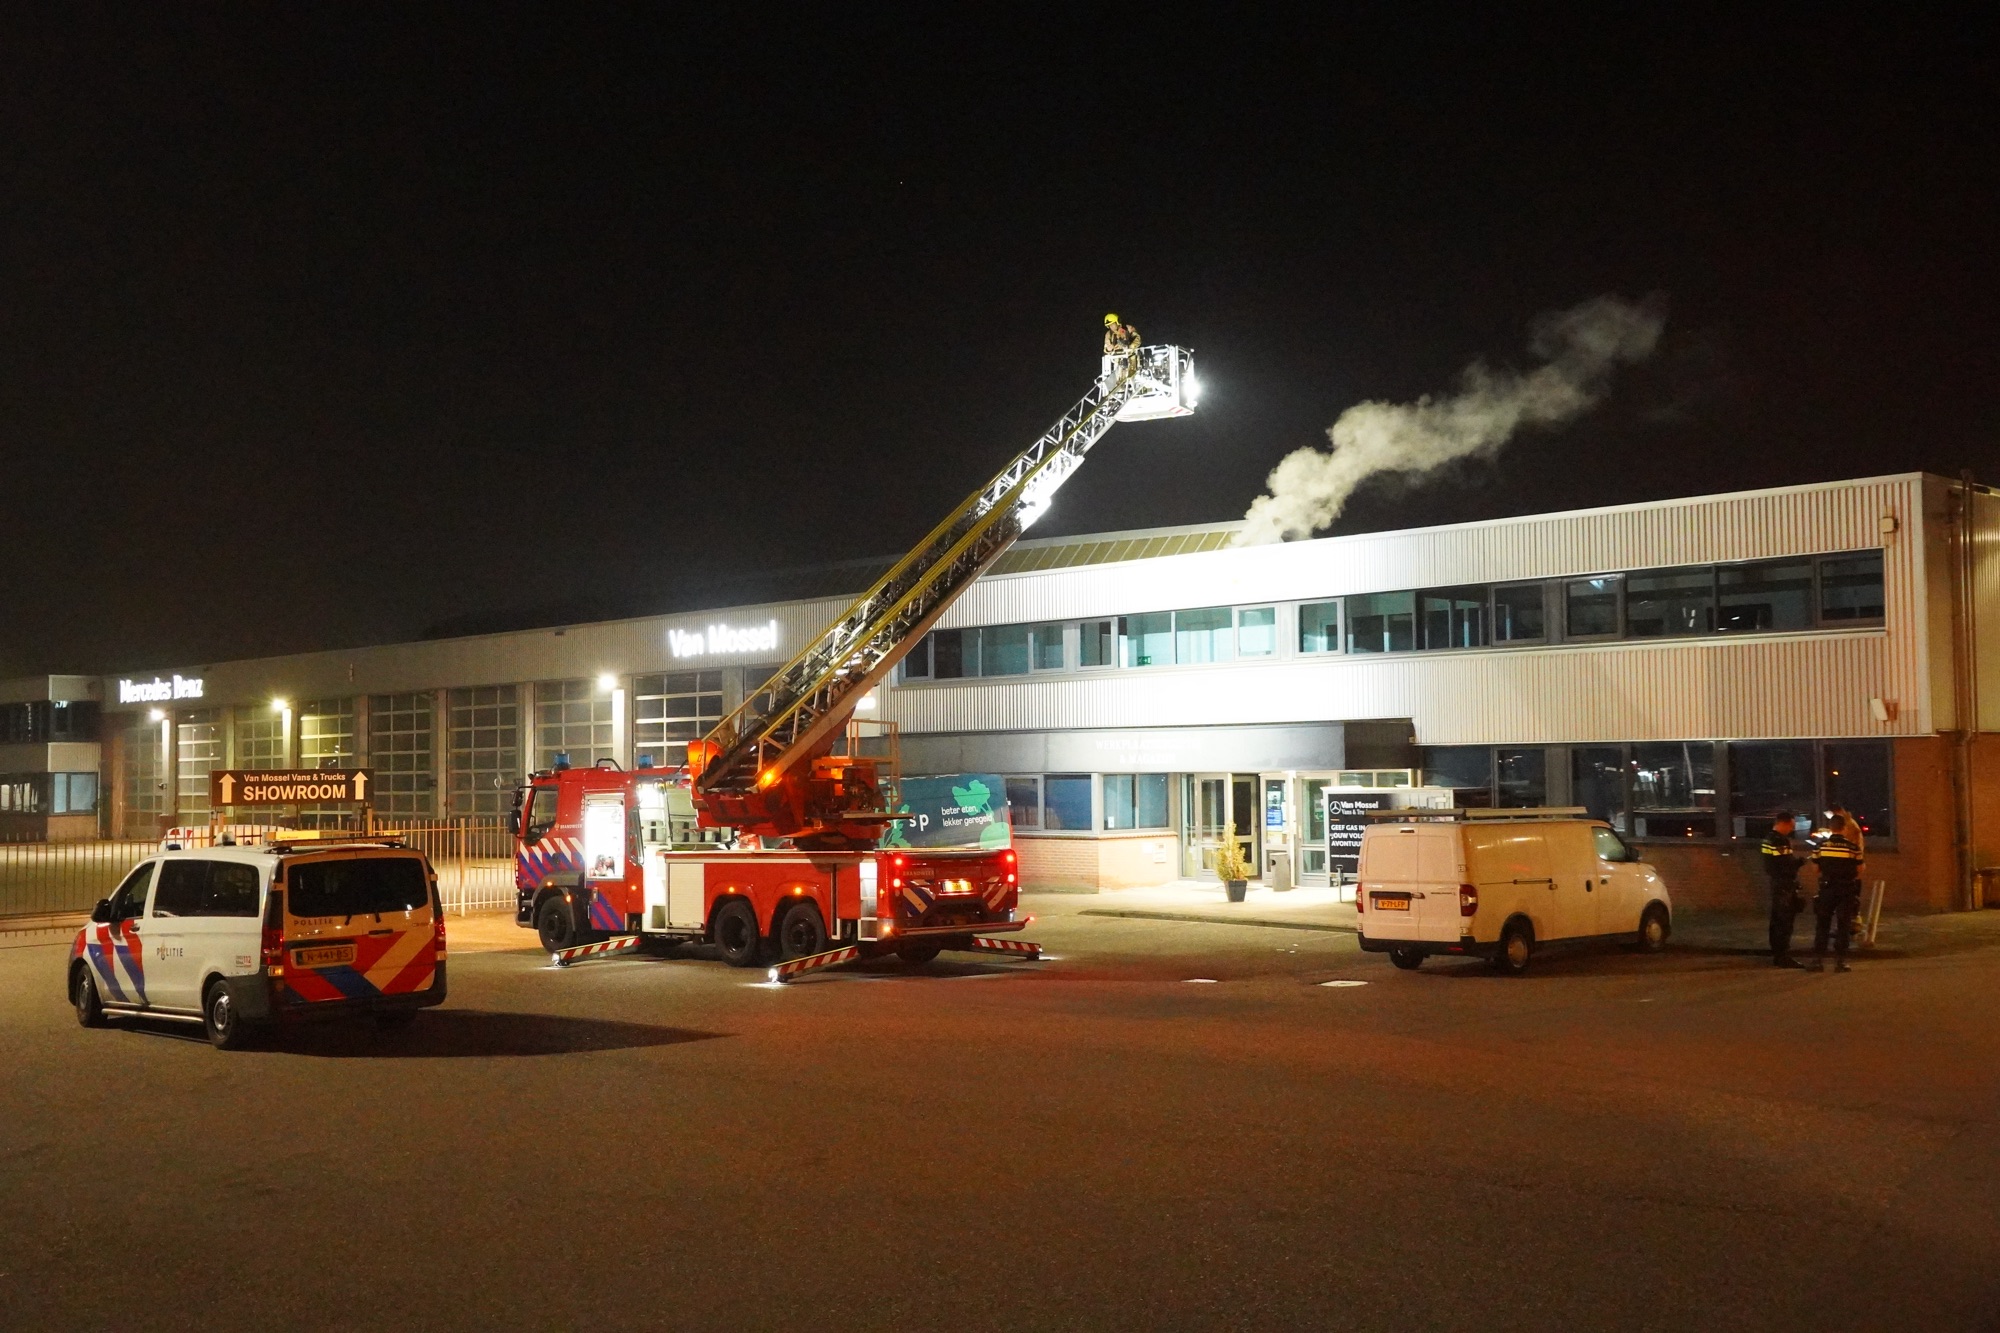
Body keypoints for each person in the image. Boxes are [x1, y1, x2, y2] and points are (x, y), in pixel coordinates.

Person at [1809, 806, 1864, 972]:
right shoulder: (1853, 848)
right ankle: (1840, 961)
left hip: (1827, 888)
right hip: (1846, 889)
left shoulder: (1820, 847)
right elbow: (1860, 869)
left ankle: (1818, 960)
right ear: (1844, 828)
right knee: (1843, 924)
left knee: (1823, 923)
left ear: (1831, 828)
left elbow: (1815, 869)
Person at [1759, 811, 1806, 968]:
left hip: (1776, 883)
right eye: (1791, 826)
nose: (1791, 830)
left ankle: (1777, 953)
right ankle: (1783, 955)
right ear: (1783, 823)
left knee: (1776, 920)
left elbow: (1773, 864)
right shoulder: (1780, 841)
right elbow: (1786, 864)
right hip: (1784, 885)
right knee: (1785, 921)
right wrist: (1799, 862)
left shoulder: (1768, 839)